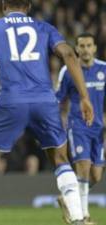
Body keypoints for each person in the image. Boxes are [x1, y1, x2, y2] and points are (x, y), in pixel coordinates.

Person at [0, 0, 94, 225]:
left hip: (11, 101)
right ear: (29, 6)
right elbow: (69, 55)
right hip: (45, 101)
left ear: (4, 5)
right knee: (61, 160)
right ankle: (78, 219)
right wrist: (84, 96)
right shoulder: (44, 28)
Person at [56, 33, 105, 225]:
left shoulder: (104, 69)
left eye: (89, 46)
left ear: (94, 48)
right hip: (78, 126)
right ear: (76, 49)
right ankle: (84, 216)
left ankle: (68, 197)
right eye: (82, 46)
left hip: (99, 129)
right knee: (83, 168)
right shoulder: (68, 71)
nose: (85, 49)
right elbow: (58, 98)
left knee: (96, 176)